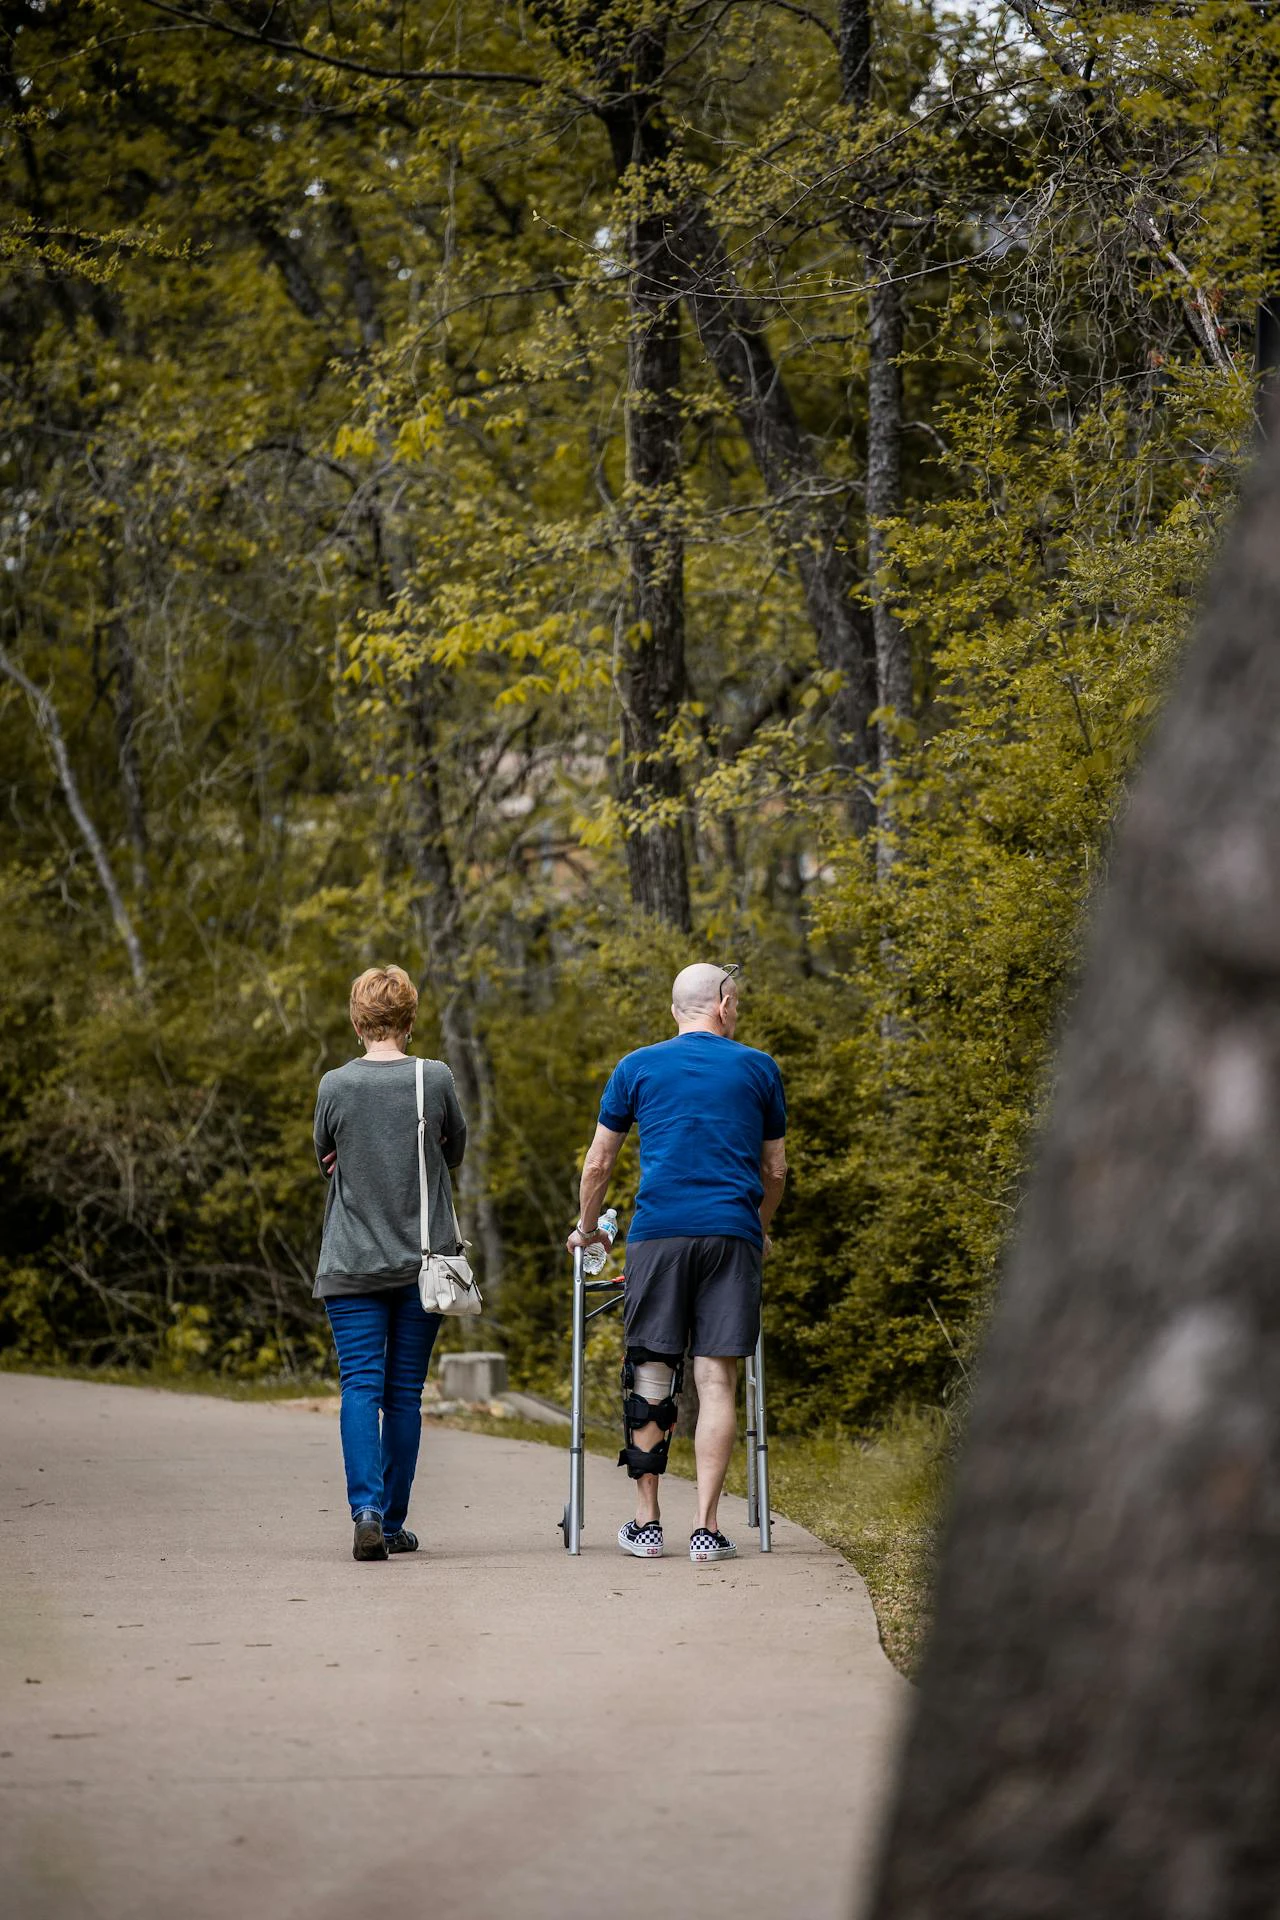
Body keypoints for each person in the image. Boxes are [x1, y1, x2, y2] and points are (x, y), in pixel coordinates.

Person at [567, 962, 787, 1564]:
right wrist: (757, 1230)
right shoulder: (758, 1068)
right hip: (730, 1235)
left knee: (652, 1370)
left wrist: (588, 1231)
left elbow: (598, 1164)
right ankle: (707, 1529)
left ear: (674, 1012)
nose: (737, 1009)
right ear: (722, 1004)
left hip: (659, 1235)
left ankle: (646, 1522)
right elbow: (775, 1171)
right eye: (735, 1000)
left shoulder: (636, 1067)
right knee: (716, 1379)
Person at [313, 965, 467, 1562]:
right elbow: (455, 1151)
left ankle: (366, 1512)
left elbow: (324, 1156)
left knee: (359, 1386)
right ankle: (394, 1521)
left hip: (350, 1260)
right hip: (423, 1263)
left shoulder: (334, 1086)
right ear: (410, 1019)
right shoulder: (436, 1079)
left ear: (358, 1020)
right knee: (404, 1393)